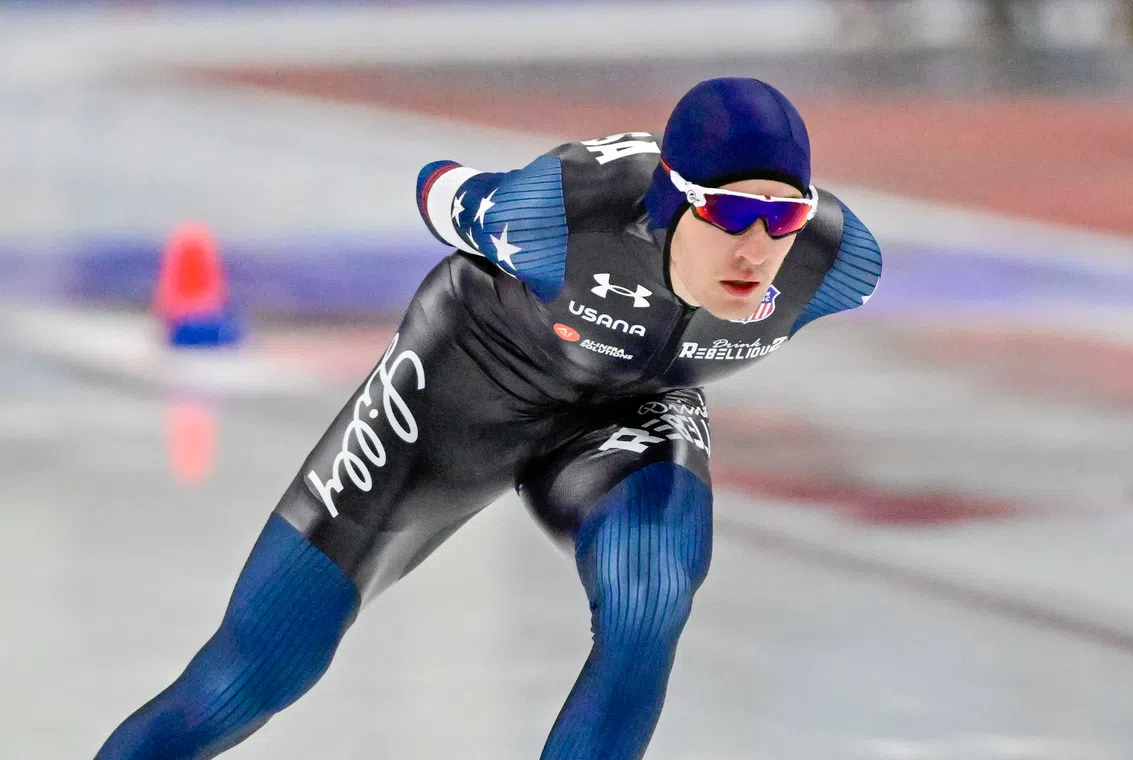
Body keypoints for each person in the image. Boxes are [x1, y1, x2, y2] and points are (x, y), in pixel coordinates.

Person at [94, 77, 882, 760]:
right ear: (672, 205)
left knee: (649, 595)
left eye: (782, 219)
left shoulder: (837, 263)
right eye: (733, 213)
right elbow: (439, 187)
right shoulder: (561, 217)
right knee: (258, 670)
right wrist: (461, 191)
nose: (756, 247)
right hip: (465, 386)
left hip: (628, 410)